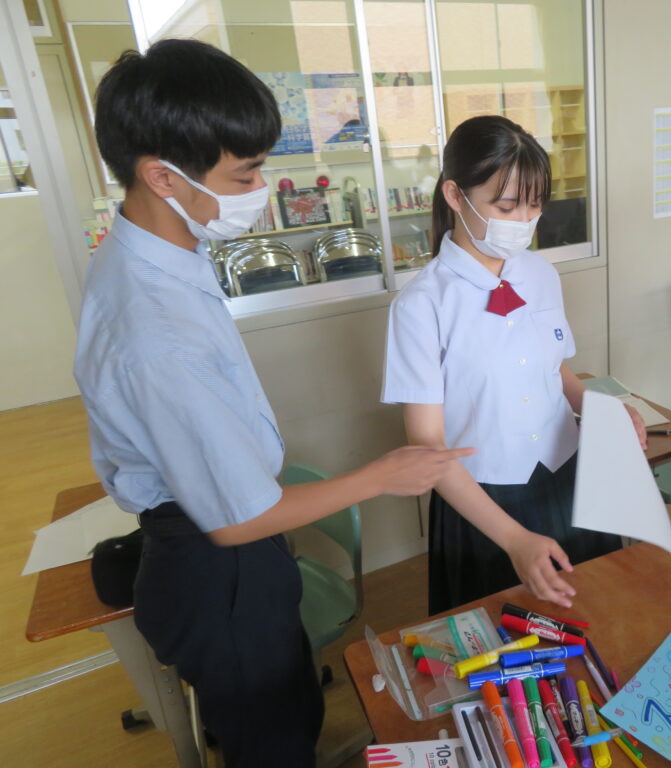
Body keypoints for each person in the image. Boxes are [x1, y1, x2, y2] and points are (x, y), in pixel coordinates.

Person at [76, 39, 470, 766]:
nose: (260, 187)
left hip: (229, 544)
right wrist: (384, 475)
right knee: (274, 740)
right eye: (245, 173)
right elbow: (238, 519)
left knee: (286, 710)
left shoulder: (158, 250)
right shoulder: (154, 331)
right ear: (162, 176)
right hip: (218, 568)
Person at [382, 115, 646, 613]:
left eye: (535, 204)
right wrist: (513, 538)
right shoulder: (421, 305)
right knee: (509, 638)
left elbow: (555, 371)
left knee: (596, 615)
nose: (523, 220)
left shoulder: (541, 275)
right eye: (505, 206)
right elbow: (427, 444)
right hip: (485, 503)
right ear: (455, 195)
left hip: (569, 476)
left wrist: (602, 408)